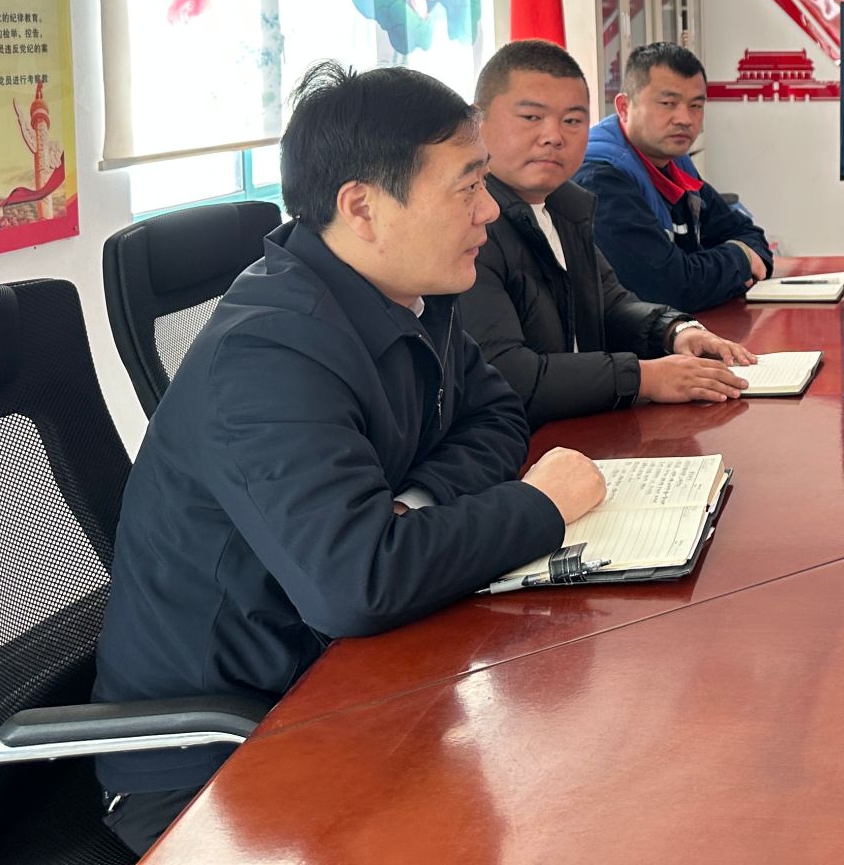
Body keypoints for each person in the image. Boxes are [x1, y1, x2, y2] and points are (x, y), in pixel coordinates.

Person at [93, 63, 609, 853]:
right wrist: (538, 508)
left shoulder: (409, 291)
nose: (488, 210)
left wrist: (416, 508)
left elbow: (496, 413)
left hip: (339, 682)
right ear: (362, 206)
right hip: (213, 762)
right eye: (467, 187)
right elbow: (358, 583)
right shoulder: (266, 353)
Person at [468, 39, 754, 429]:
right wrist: (644, 377)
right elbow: (507, 374)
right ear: (478, 120)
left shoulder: (566, 205)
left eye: (572, 121)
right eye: (532, 117)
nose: (554, 136)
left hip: (580, 427)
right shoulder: (470, 224)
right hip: (519, 446)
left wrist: (674, 331)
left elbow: (612, 305)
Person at [576, 43, 774, 313]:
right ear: (623, 107)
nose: (685, 119)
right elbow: (669, 289)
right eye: (667, 104)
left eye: (696, 105)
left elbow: (748, 235)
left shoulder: (674, 162)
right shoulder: (599, 177)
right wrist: (741, 259)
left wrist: (737, 259)